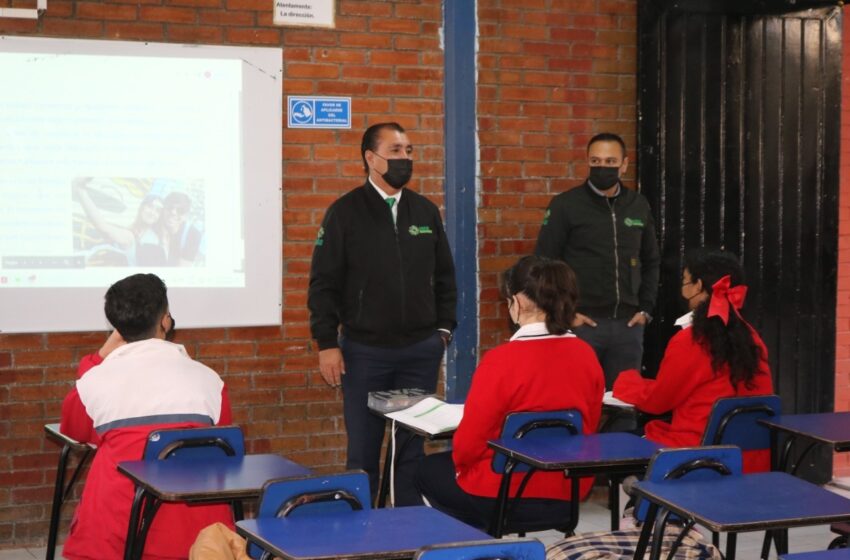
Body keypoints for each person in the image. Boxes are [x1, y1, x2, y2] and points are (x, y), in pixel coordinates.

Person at [308, 122, 458, 506]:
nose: (405, 158)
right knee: (363, 450)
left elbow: (445, 276)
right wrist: (327, 343)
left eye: (409, 150)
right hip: (365, 352)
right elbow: (323, 284)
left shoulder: (424, 211)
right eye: (395, 151)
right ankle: (359, 531)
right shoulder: (344, 213)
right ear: (371, 159)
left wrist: (443, 330)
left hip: (420, 351)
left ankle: (403, 527)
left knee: (409, 452)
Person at [413, 255, 604, 530]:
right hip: (566, 493)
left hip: (501, 494)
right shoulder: (587, 355)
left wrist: (462, 469)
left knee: (427, 470)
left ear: (520, 302)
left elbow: (468, 445)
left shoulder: (501, 360)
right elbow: (589, 427)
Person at [60, 273, 233, 560]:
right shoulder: (210, 381)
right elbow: (225, 445)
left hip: (117, 532)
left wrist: (99, 357)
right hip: (196, 533)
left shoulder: (94, 381)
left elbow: (76, 433)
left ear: (117, 327)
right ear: (165, 320)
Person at [613, 249, 774, 472]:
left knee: (620, 440)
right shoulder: (753, 338)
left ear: (698, 286)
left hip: (699, 457)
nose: (682, 288)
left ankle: (639, 502)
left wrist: (626, 382)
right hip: (751, 460)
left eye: (684, 281)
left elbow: (658, 401)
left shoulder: (691, 340)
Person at [535, 133, 660, 388]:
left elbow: (651, 260)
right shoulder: (565, 205)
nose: (603, 168)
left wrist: (645, 309)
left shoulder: (638, 205)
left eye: (610, 161)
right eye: (596, 161)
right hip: (582, 326)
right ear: (588, 162)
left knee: (625, 404)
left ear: (624, 164)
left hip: (629, 327)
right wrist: (566, 314)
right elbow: (544, 264)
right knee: (577, 398)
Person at [73, 177, 167, 266]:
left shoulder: (136, 238)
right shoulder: (137, 231)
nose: (152, 213)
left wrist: (80, 191)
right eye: (150, 207)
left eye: (158, 210)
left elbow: (103, 227)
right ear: (142, 208)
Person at [159, 191, 205, 266]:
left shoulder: (193, 234)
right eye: (170, 207)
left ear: (186, 215)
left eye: (180, 211)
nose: (173, 212)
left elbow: (183, 269)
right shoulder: (155, 223)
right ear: (163, 209)